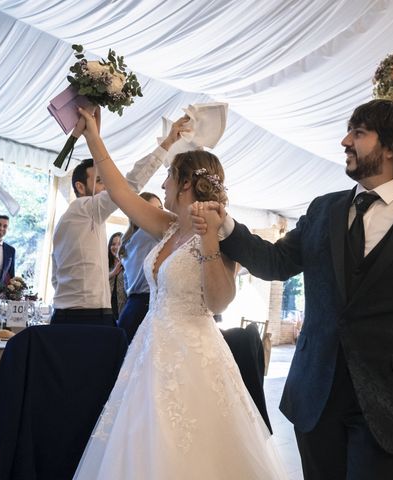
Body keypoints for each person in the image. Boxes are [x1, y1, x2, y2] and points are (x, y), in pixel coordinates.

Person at [194, 99, 393, 480]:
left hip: (391, 400)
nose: (345, 141)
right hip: (316, 390)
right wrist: (225, 224)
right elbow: (275, 262)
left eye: (358, 133)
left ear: (392, 147)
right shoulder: (324, 209)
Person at [71, 107, 288, 479]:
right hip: (149, 352)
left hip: (193, 357)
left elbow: (219, 302)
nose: (164, 186)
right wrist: (93, 137)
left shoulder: (219, 232)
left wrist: (208, 238)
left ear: (185, 183)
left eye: (169, 178)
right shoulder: (168, 227)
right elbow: (122, 192)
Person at [50, 112, 190, 327]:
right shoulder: (82, 208)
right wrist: (168, 142)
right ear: (80, 187)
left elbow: (56, 278)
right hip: (86, 317)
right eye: (99, 181)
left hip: (64, 314)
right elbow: (128, 186)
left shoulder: (73, 220)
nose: (107, 187)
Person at [117, 192, 163, 343]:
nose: (159, 213)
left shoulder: (128, 241)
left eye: (160, 208)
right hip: (145, 307)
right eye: (153, 209)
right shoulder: (149, 233)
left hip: (132, 307)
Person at [107, 232, 127, 318]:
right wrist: (113, 272)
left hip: (123, 310)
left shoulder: (128, 265)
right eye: (113, 244)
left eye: (119, 244)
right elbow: (98, 280)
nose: (116, 247)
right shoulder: (105, 264)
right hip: (107, 309)